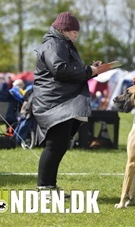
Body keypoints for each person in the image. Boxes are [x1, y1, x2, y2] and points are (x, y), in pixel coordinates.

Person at [33, 12, 111, 194]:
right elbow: (60, 70)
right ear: (63, 30)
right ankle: (44, 188)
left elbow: (68, 69)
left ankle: (49, 186)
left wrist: (91, 70)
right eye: (73, 32)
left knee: (59, 145)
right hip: (54, 102)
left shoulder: (61, 43)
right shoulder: (54, 43)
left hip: (60, 101)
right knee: (54, 146)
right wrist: (88, 71)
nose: (76, 35)